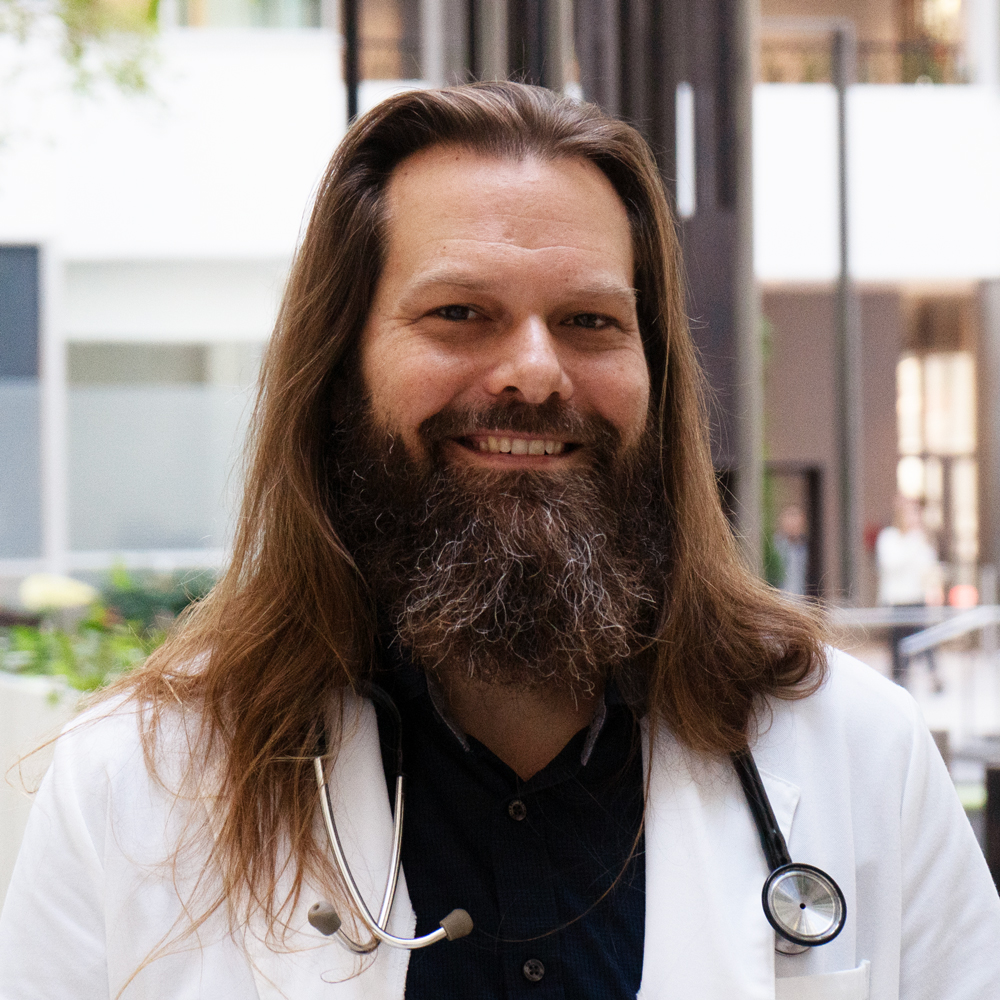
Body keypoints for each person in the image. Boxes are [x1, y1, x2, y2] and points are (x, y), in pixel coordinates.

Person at [2, 83, 999, 1000]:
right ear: (338, 367)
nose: (533, 372)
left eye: (589, 320)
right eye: (460, 313)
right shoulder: (131, 791)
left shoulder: (861, 757)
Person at [877, 495, 945, 686]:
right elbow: (890, 564)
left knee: (924, 638)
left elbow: (928, 566)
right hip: (897, 599)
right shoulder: (890, 537)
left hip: (917, 596)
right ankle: (899, 677)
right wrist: (912, 544)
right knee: (897, 642)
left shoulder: (921, 538)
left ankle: (934, 675)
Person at [773, 503, 809, 598]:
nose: (792, 522)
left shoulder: (807, 548)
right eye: (789, 516)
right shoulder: (774, 547)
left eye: (795, 516)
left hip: (803, 604)